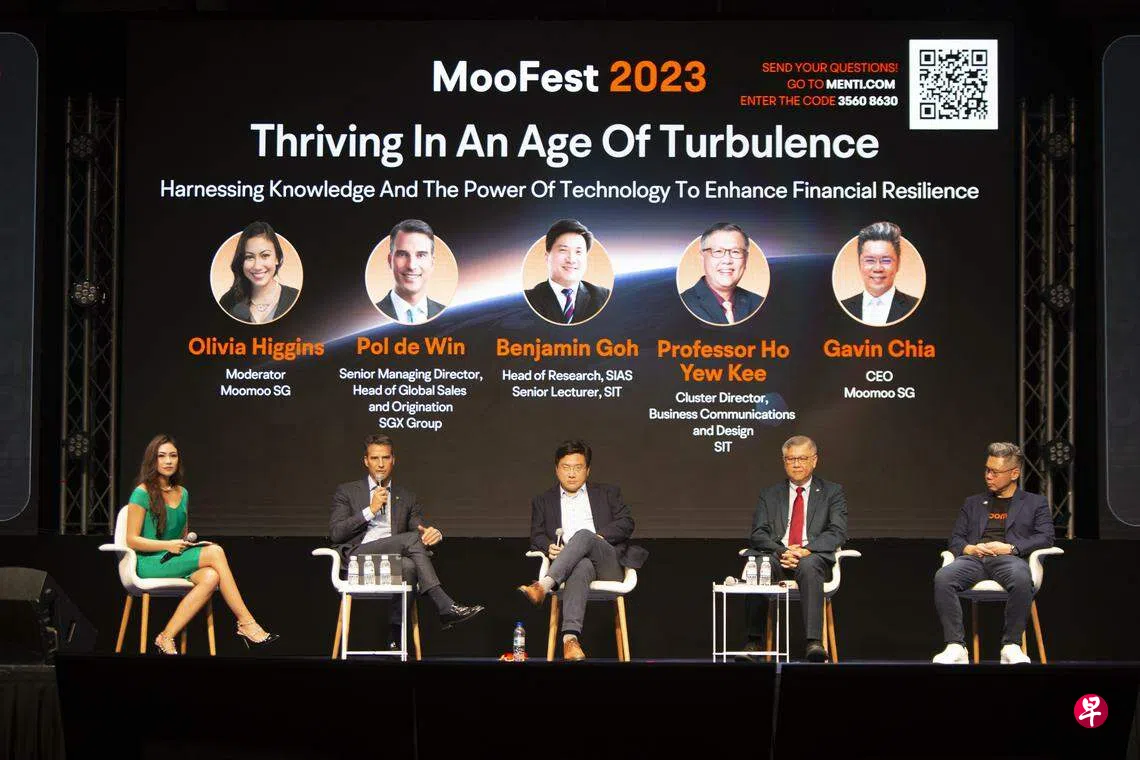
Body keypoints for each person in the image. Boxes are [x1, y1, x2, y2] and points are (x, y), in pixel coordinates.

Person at [125, 434, 278, 654]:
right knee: (215, 552)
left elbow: (182, 535)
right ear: (152, 460)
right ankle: (246, 622)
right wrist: (167, 546)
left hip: (172, 559)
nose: (168, 461)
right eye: (162, 456)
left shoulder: (182, 493)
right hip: (149, 562)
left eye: (173, 456)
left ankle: (165, 637)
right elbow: (131, 540)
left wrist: (188, 545)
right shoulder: (141, 493)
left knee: (211, 576)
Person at [329, 434, 483, 646]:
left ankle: (396, 637)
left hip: (392, 563)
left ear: (393, 460)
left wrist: (432, 534)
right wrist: (370, 510)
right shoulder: (347, 491)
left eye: (385, 458)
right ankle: (444, 605)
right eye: (374, 458)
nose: (380, 464)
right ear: (366, 461)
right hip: (359, 560)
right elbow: (336, 533)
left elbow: (417, 532)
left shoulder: (407, 497)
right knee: (410, 543)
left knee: (410, 566)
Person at [517, 440, 648, 660]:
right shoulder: (543, 501)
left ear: (587, 470)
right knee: (581, 565)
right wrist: (548, 546)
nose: (571, 474)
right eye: (566, 467)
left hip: (607, 563)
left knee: (584, 535)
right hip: (571, 567)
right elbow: (536, 535)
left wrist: (598, 538)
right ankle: (570, 641)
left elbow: (627, 522)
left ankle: (543, 586)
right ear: (556, 469)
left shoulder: (607, 493)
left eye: (577, 468)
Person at [932, 442, 1055, 665]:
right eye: (987, 470)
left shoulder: (1035, 503)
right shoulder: (973, 503)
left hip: (1009, 559)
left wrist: (1011, 548)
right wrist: (970, 548)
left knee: (1021, 577)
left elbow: (1045, 537)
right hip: (975, 559)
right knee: (943, 577)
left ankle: (1011, 645)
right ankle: (956, 646)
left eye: (995, 472)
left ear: (1014, 474)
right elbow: (956, 539)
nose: (988, 476)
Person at [744, 435, 848, 662]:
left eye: (802, 459)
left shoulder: (832, 492)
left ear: (814, 460)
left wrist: (805, 550)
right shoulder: (769, 494)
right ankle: (753, 643)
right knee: (759, 565)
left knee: (809, 565)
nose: (797, 464)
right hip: (778, 556)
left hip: (811, 558)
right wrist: (782, 551)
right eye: (791, 459)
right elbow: (758, 534)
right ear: (784, 462)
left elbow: (837, 532)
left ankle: (814, 643)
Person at [524, 219, 611, 324]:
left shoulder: (603, 297)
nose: (571, 260)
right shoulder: (529, 299)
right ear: (547, 257)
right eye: (563, 250)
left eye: (578, 252)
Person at [680, 222, 764, 325]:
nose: (727, 260)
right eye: (718, 251)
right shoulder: (683, 304)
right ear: (702, 258)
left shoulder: (759, 303)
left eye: (736, 252)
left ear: (745, 259)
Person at [839, 221, 919, 325]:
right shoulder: (844, 307)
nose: (877, 268)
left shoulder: (914, 306)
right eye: (870, 260)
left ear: (898, 264)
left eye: (886, 260)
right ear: (859, 263)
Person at [218, 221, 300, 323]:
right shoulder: (228, 302)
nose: (257, 266)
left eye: (265, 255)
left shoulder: (295, 297)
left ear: (277, 258)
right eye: (249, 257)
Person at [375, 219, 446, 325]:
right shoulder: (373, 315)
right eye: (402, 254)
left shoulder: (444, 313)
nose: (411, 266)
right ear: (390, 261)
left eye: (421, 255)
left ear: (432, 262)